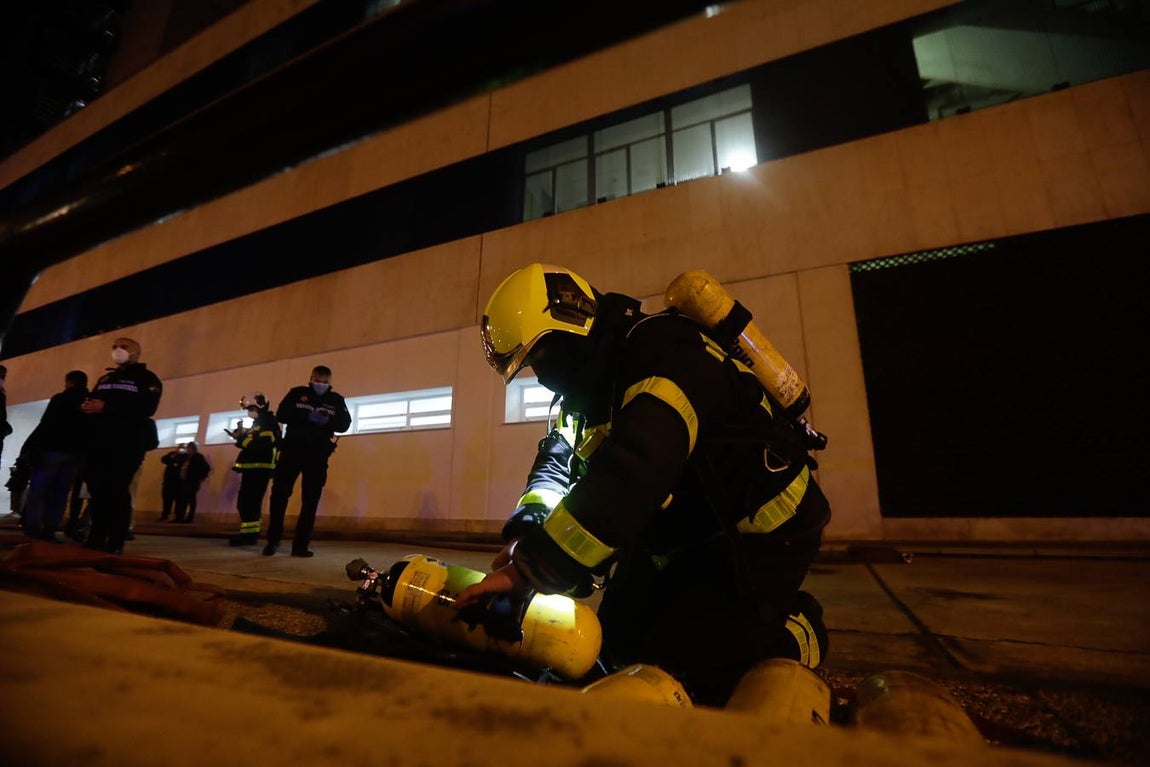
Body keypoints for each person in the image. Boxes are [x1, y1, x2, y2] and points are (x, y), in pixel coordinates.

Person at [455, 263, 832, 706]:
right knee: (615, 653)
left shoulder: (664, 355)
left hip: (757, 534)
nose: (539, 377)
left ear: (568, 328)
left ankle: (799, 628)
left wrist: (531, 569)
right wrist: (525, 536)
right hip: (679, 535)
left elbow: (634, 470)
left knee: (693, 677)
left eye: (538, 359)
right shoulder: (586, 393)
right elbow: (553, 468)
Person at [80, 337, 163, 554]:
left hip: (127, 444)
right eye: (114, 346)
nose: (118, 350)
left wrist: (107, 407)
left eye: (124, 347)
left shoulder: (147, 379)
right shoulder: (106, 377)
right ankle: (96, 538)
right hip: (98, 443)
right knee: (97, 492)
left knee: (116, 491)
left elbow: (147, 408)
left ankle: (115, 541)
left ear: (136, 352)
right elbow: (93, 401)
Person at [262, 365, 350, 557]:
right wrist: (305, 416)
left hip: (317, 456)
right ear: (311, 379)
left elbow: (345, 424)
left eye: (325, 382)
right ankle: (273, 540)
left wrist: (327, 422)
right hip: (292, 452)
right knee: (279, 496)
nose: (321, 384)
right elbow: (282, 414)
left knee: (310, 501)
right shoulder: (297, 393)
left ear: (330, 382)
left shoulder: (336, 400)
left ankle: (300, 545)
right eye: (318, 381)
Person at [16, 370, 90, 541]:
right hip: (75, 453)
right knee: (60, 494)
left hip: (50, 451)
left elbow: (46, 424)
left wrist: (30, 447)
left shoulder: (59, 400)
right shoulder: (90, 401)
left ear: (68, 382)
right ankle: (49, 531)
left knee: (38, 492)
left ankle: (32, 531)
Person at [228, 392, 280, 546]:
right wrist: (243, 436)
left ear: (259, 406)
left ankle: (249, 537)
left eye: (250, 408)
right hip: (253, 470)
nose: (248, 412)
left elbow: (262, 445)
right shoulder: (259, 423)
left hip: (259, 470)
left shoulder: (267, 423)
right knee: (247, 503)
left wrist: (241, 439)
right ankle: (249, 535)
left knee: (249, 503)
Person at [171, 441, 210, 523]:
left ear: (193, 448)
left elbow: (206, 468)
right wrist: (177, 451)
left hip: (192, 481)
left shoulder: (198, 457)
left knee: (191, 499)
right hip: (183, 481)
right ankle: (180, 517)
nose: (187, 449)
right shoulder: (185, 456)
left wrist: (201, 478)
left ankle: (189, 518)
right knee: (182, 500)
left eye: (188, 448)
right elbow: (176, 462)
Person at [158, 443, 187, 521]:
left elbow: (181, 464)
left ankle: (177, 516)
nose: (181, 449)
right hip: (168, 481)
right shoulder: (172, 454)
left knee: (178, 500)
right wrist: (172, 456)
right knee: (166, 499)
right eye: (179, 448)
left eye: (183, 448)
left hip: (179, 482)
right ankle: (165, 515)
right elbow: (163, 459)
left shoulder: (186, 456)